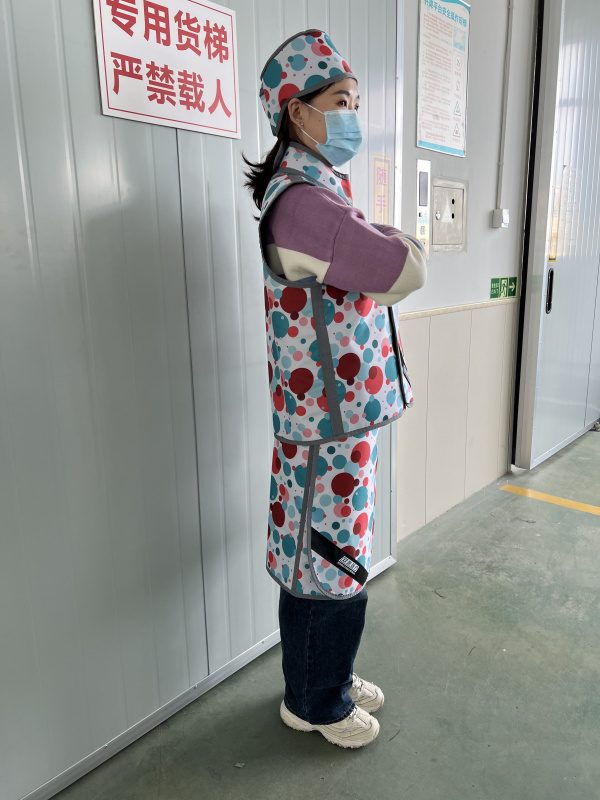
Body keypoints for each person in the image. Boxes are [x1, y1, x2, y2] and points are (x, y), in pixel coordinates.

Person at [242, 29, 427, 749]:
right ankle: (317, 702)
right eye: (341, 102)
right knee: (329, 564)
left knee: (325, 556)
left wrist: (381, 236)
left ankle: (326, 678)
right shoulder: (306, 204)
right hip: (327, 422)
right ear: (298, 111)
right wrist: (400, 239)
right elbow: (401, 270)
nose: (353, 116)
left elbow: (373, 259)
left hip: (330, 418)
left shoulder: (315, 194)